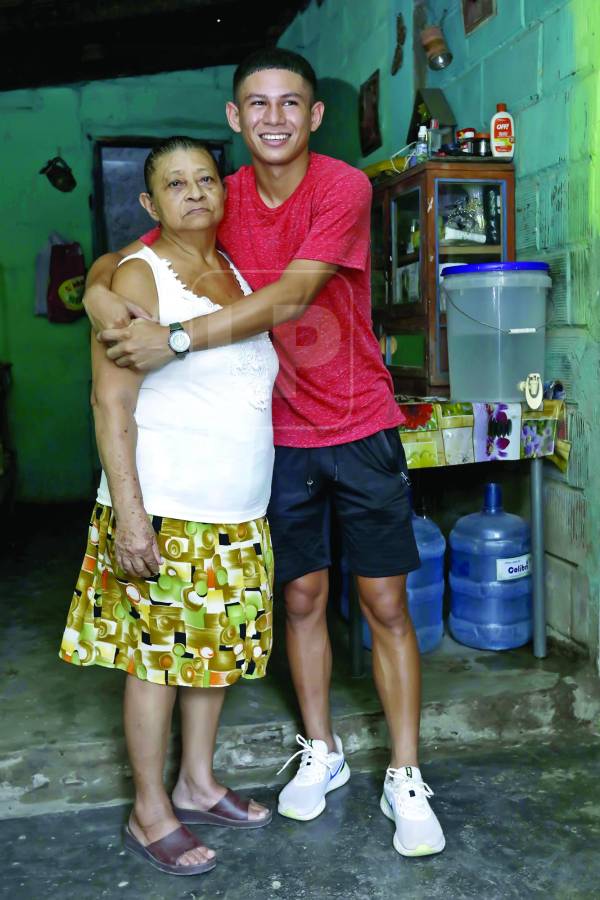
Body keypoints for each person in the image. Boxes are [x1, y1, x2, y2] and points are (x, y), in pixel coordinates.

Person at [83, 48, 446, 858]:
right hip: (278, 440)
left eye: (291, 103)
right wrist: (102, 299)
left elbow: (290, 296)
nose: (274, 118)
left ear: (314, 117)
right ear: (234, 119)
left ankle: (406, 775)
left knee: (386, 605)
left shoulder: (341, 187)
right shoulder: (219, 197)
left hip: (359, 424)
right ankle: (321, 751)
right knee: (303, 602)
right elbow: (127, 259)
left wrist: (171, 338)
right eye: (257, 104)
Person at [59, 136, 279, 876]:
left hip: (236, 510)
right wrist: (130, 513)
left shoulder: (235, 269)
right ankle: (149, 809)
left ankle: (197, 781)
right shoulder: (137, 276)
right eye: (175, 184)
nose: (195, 192)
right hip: (168, 508)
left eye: (207, 179)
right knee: (156, 661)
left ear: (225, 191)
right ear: (150, 205)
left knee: (209, 655)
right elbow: (109, 398)